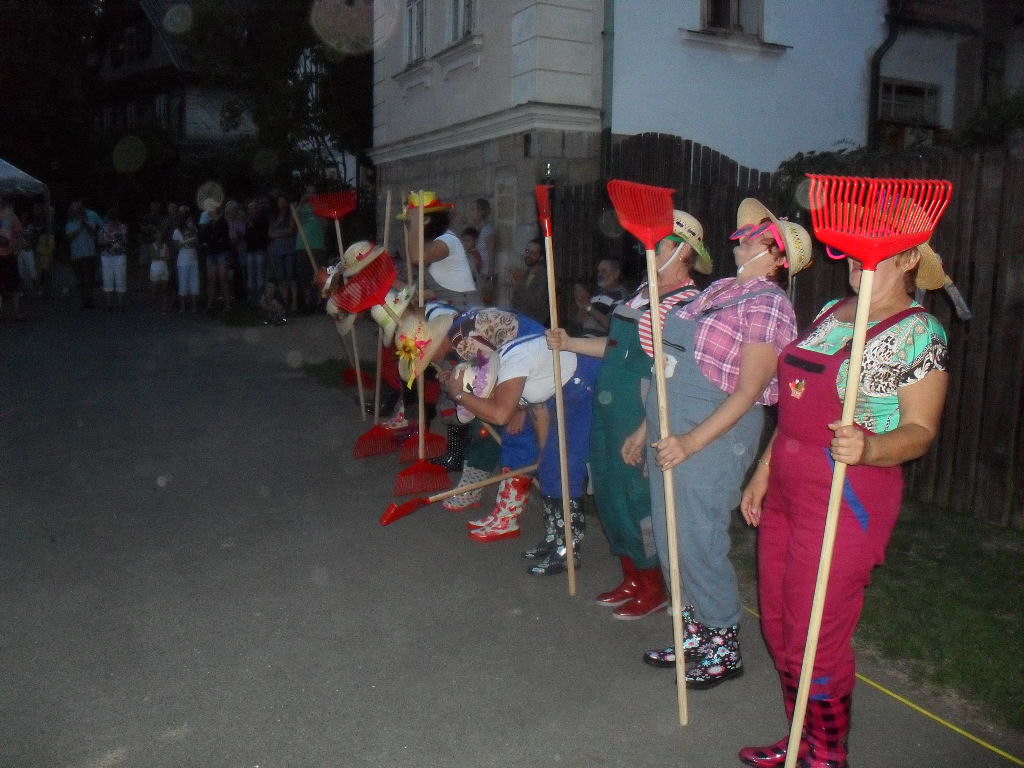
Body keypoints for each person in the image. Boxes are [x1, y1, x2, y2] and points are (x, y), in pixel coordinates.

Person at [736, 242, 950, 768]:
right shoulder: (833, 311)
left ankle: (828, 753)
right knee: (779, 626)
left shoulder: (920, 332)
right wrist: (764, 470)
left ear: (909, 261)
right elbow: (794, 407)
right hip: (787, 488)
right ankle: (800, 739)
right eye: (853, 249)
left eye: (876, 251)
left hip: (848, 494)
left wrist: (870, 447)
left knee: (816, 636)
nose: (856, 258)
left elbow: (921, 431)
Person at [627, 199, 811, 688]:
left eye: (756, 235)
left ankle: (723, 641)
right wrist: (649, 426)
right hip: (672, 424)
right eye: (745, 231)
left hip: (713, 431)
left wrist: (690, 441)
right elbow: (670, 363)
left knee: (698, 539)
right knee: (670, 536)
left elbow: (750, 391)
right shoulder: (719, 290)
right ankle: (694, 633)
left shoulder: (768, 303)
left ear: (778, 257)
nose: (743, 236)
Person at [547, 211, 712, 619]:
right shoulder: (641, 293)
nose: (649, 249)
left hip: (639, 409)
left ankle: (654, 584)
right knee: (608, 492)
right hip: (609, 406)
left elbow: (675, 375)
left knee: (637, 498)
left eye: (661, 243)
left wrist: (646, 426)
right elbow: (614, 348)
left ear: (684, 252)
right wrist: (570, 342)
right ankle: (632, 575)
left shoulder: (688, 306)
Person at [445, 332, 601, 574]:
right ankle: (555, 537)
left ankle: (568, 550)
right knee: (551, 467)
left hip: (587, 383)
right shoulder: (505, 374)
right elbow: (538, 406)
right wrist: (544, 454)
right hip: (566, 391)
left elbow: (500, 415)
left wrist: (459, 394)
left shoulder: (513, 366)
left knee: (564, 468)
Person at [405, 191, 481, 310]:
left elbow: (417, 257)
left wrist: (415, 222)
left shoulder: (447, 240)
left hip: (466, 311)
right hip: (453, 308)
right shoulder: (433, 244)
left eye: (411, 223)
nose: (410, 227)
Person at [570, 257, 628, 338]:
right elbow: (581, 321)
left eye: (604, 271)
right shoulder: (598, 293)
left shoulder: (621, 296)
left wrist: (589, 307)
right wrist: (582, 304)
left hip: (600, 343)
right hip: (585, 338)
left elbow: (611, 326)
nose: (599, 274)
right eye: (598, 271)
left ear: (616, 274)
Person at [65, 200, 101, 309]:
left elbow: (94, 233)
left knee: (89, 279)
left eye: (78, 209)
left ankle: (90, 300)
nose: (76, 211)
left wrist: (84, 223)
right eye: (74, 209)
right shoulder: (70, 223)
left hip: (89, 254)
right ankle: (84, 300)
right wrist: (80, 227)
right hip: (76, 255)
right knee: (81, 280)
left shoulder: (89, 221)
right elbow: (69, 237)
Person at [200, 202, 233, 313]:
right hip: (212, 253)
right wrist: (211, 240)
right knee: (211, 280)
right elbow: (205, 238)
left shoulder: (223, 223)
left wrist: (212, 240)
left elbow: (221, 239)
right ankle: (210, 305)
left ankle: (227, 305)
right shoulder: (209, 224)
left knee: (223, 279)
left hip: (221, 253)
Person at [508, 238, 549, 325]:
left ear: (541, 257)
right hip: (520, 319)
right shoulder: (526, 273)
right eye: (527, 251)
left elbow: (536, 304)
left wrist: (520, 282)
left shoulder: (544, 276)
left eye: (534, 253)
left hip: (535, 323)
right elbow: (516, 300)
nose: (529, 255)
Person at [269, 195, 298, 312]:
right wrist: (283, 232)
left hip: (289, 249)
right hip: (277, 251)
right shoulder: (274, 217)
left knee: (291, 275)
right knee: (281, 277)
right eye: (279, 202)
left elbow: (291, 230)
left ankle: (294, 302)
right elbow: (270, 234)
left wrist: (277, 233)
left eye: (283, 202)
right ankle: (285, 301)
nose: (280, 204)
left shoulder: (290, 215)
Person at [97, 206, 129, 311]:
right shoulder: (103, 228)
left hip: (120, 255)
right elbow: (99, 241)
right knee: (107, 278)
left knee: (120, 278)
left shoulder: (123, 227)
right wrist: (110, 242)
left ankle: (120, 304)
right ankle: (109, 304)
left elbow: (126, 241)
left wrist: (118, 242)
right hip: (107, 255)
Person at [173, 212, 201, 313]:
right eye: (189, 220)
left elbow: (197, 244)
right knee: (183, 282)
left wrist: (194, 234)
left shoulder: (194, 229)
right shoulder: (177, 231)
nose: (190, 222)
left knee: (194, 282)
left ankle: (194, 307)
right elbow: (176, 247)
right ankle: (182, 307)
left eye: (191, 220)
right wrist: (187, 240)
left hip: (193, 259)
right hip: (183, 260)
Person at [469, 198, 496, 303]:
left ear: (481, 211)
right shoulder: (478, 229)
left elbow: (491, 256)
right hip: (478, 274)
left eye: (473, 209)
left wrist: (490, 279)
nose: (471, 212)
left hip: (485, 275)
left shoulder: (488, 230)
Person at [0, 201, 24, 319]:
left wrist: (17, 250)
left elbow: (19, 234)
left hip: (9, 255)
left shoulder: (11, 216)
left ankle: (17, 312)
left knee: (14, 284)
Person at [244, 199, 269, 306]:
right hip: (250, 250)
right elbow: (246, 237)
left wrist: (253, 227)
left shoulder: (263, 220)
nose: (252, 210)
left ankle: (260, 299)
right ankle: (253, 299)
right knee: (251, 276)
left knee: (260, 276)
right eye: (250, 209)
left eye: (253, 208)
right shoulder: (248, 221)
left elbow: (263, 235)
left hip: (260, 250)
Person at [148, 232, 171, 313]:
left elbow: (168, 257)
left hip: (164, 267)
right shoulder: (152, 246)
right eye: (157, 235)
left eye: (160, 235)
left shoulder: (165, 245)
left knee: (164, 289)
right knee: (155, 289)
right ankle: (154, 307)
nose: (159, 237)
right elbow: (153, 256)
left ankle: (163, 307)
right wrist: (162, 257)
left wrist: (159, 256)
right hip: (155, 268)